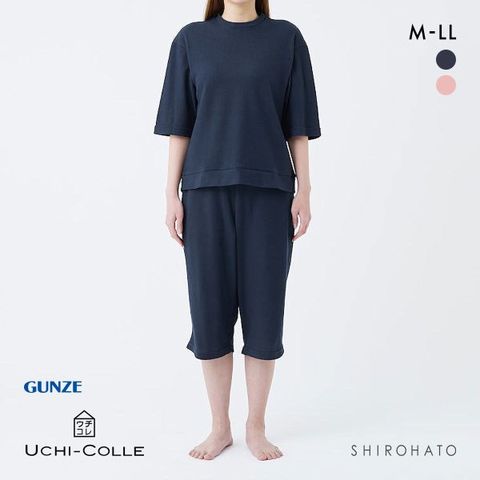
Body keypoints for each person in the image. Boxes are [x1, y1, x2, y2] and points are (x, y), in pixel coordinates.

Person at [154, 0, 321, 461]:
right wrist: (171, 193)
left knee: (265, 312)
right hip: (204, 192)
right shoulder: (191, 40)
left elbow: (298, 125)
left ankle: (256, 426)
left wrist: (305, 189)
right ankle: (219, 427)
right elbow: (180, 126)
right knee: (209, 312)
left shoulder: (286, 38)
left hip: (269, 193)